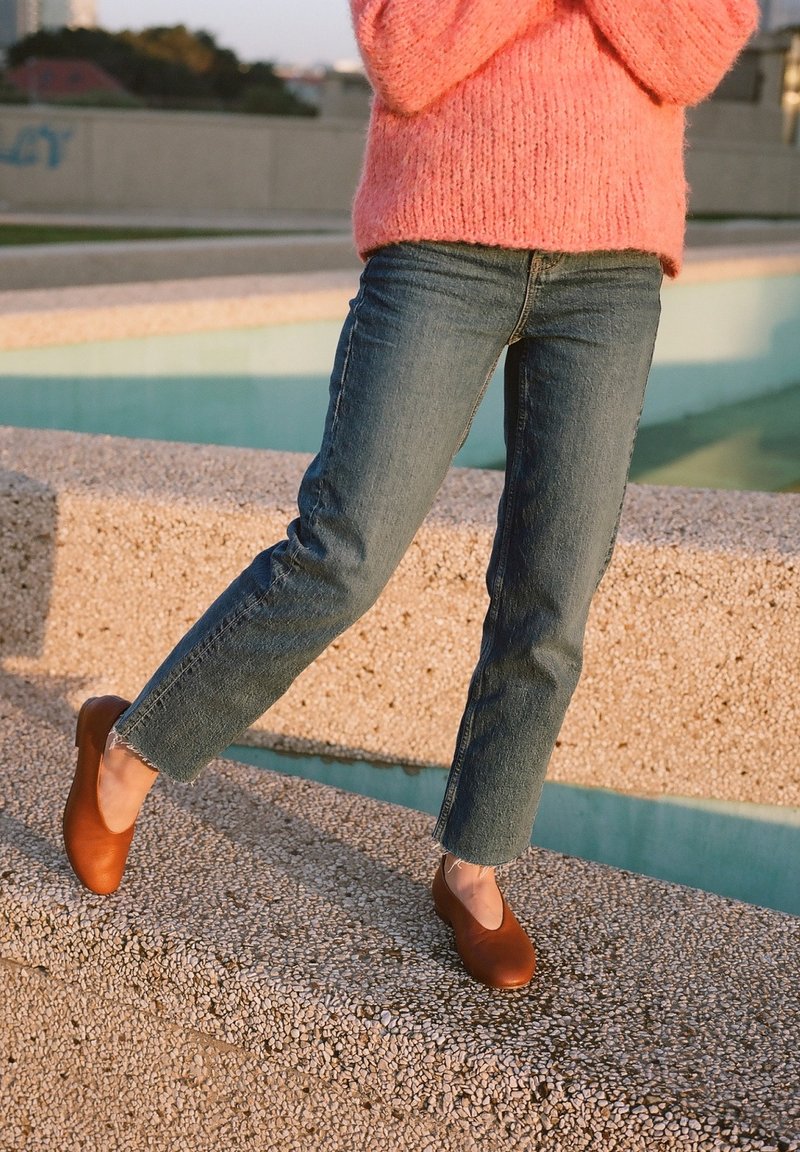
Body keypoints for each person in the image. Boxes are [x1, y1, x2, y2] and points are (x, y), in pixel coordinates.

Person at [63, 0, 758, 990]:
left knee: (552, 593)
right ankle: (130, 749)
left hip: (609, 269)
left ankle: (472, 866)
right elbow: (406, 52)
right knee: (339, 553)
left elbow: (689, 51)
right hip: (440, 242)